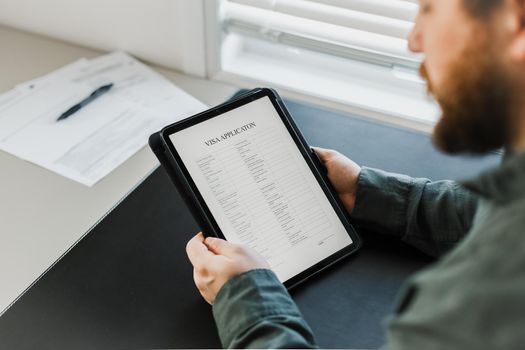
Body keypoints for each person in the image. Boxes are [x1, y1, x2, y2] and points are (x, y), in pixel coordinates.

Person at [186, 0, 525, 348]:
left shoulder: (495, 291)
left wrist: (245, 301)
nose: (414, 41)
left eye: (430, 10)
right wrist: (368, 194)